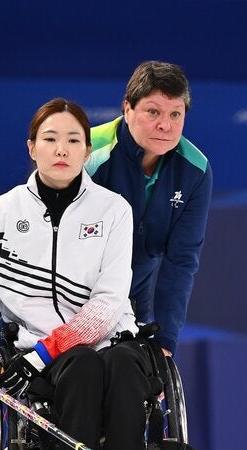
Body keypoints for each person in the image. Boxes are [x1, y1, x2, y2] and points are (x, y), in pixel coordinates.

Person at [0, 98, 155, 450]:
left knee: (124, 364)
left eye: (73, 140)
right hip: (41, 352)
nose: (61, 149)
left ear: (87, 150)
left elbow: (108, 303)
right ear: (32, 148)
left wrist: (47, 352)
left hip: (108, 338)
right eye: (50, 139)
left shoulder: (114, 210)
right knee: (81, 364)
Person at [84, 60, 212, 357]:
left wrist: (166, 340)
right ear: (127, 108)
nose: (165, 125)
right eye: (153, 112)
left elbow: (181, 261)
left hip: (131, 303)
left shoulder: (196, 170)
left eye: (175, 114)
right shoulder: (87, 150)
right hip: (71, 299)